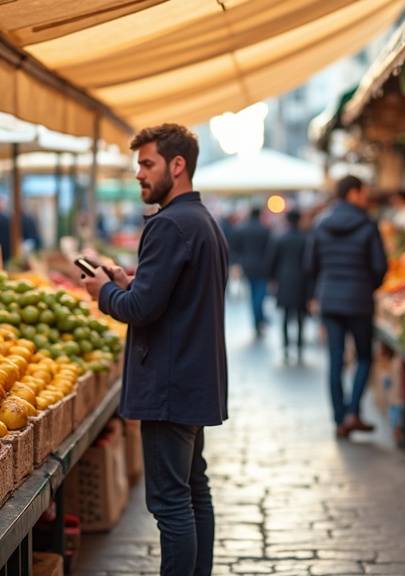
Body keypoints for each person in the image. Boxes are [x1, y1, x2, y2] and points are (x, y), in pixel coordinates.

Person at [81, 124, 228, 576]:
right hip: (194, 378)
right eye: (138, 165)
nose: (139, 174)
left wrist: (104, 292)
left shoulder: (167, 225)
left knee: (170, 503)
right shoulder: (203, 223)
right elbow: (172, 295)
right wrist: (130, 281)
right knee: (193, 490)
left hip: (169, 384)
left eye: (147, 164)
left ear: (177, 165)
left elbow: (141, 309)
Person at [306, 175, 387, 439]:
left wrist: (323, 286)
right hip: (359, 300)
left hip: (329, 300)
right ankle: (353, 411)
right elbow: (380, 267)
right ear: (353, 193)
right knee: (364, 357)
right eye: (363, 192)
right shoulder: (367, 224)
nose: (366, 198)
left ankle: (340, 419)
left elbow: (310, 265)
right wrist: (366, 285)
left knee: (335, 360)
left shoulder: (321, 223)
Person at [266, 209, 310, 364]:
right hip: (301, 281)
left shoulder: (280, 238)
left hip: (284, 280)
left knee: (285, 316)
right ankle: (299, 348)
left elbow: (272, 260)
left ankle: (285, 347)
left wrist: (271, 279)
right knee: (300, 317)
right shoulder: (306, 238)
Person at [234, 207, 271, 338]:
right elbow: (270, 250)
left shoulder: (241, 229)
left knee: (253, 294)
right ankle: (259, 319)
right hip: (262, 266)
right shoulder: (265, 230)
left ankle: (257, 320)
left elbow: (236, 249)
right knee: (260, 294)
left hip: (247, 266)